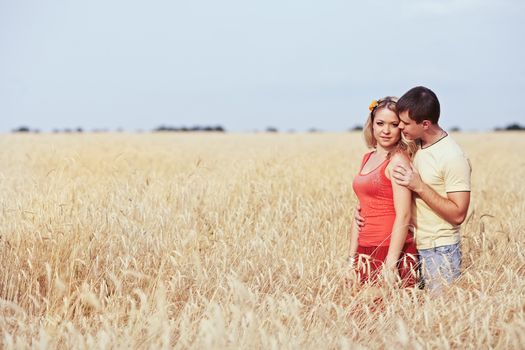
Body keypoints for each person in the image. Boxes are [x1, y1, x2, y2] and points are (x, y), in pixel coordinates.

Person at [356, 86, 472, 293]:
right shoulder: (417, 146)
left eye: (404, 123)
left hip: (439, 249)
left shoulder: (452, 157)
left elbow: (458, 214)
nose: (399, 127)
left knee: (441, 317)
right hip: (415, 244)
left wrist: (418, 185)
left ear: (425, 124)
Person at [348, 96, 419, 288]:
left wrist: (391, 264)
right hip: (365, 249)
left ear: (401, 128)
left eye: (394, 124)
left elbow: (404, 214)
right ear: (371, 125)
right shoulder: (367, 157)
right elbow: (360, 209)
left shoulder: (397, 161)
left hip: (389, 250)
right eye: (380, 123)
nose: (386, 130)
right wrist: (351, 259)